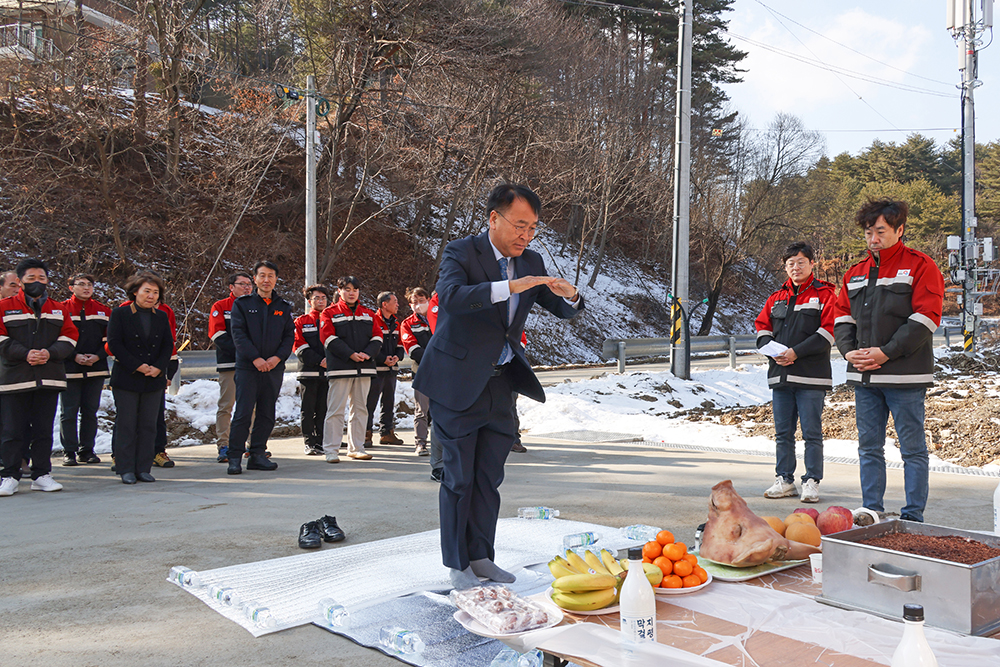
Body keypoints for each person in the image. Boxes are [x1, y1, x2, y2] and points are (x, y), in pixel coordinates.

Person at [413, 183, 584, 589]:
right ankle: (457, 564)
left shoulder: (531, 260)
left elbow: (561, 308)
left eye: (533, 228)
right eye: (519, 225)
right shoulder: (461, 251)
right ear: (494, 218)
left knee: (489, 478)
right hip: (456, 383)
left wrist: (572, 295)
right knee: (458, 478)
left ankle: (481, 556)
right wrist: (509, 287)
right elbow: (451, 298)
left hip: (500, 385)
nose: (526, 236)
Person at [834, 199, 944, 523]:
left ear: (899, 229)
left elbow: (926, 318)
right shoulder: (854, 273)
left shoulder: (921, 266)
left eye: (880, 231)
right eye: (868, 232)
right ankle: (872, 510)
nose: (873, 239)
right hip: (865, 379)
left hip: (904, 378)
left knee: (912, 450)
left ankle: (913, 516)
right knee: (868, 448)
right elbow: (841, 317)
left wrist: (886, 352)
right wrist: (847, 351)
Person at [754, 242, 836, 503]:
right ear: (785, 267)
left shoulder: (825, 295)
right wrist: (771, 350)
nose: (795, 267)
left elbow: (827, 333)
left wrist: (795, 352)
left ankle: (812, 481)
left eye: (801, 262)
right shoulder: (776, 297)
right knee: (782, 433)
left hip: (811, 376)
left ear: (812, 264)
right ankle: (785, 479)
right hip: (781, 376)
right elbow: (762, 329)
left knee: (812, 432)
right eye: (790, 263)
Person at [0, 259, 78, 496]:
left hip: (49, 378)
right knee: (12, 430)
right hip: (15, 378)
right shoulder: (4, 307)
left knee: (43, 430)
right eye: (31, 278)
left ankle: (42, 474)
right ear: (20, 281)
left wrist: (49, 353)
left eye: (42, 278)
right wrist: (26, 354)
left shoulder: (58, 308)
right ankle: (9, 475)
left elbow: (70, 338)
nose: (37, 282)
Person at [226, 261, 295, 475]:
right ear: (254, 279)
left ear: (276, 279)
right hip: (248, 367)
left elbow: (288, 337)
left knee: (267, 413)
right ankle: (235, 457)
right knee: (243, 412)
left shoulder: (283, 307)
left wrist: (276, 359)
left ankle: (257, 454)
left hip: (273, 368)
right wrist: (255, 358)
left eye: (271, 276)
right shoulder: (242, 304)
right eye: (262, 275)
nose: (266, 280)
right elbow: (238, 334)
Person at [107, 273, 173, 484]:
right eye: (147, 291)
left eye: (155, 292)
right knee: (127, 423)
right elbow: (114, 343)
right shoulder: (120, 314)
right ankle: (125, 468)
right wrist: (138, 365)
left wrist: (158, 368)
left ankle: (143, 468)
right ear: (135, 291)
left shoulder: (161, 316)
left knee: (148, 424)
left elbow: (167, 345)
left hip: (153, 378)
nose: (151, 296)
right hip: (127, 377)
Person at [319, 276, 381, 462]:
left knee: (361, 409)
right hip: (340, 368)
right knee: (335, 410)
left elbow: (377, 336)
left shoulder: (368, 314)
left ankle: (357, 448)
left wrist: (367, 354)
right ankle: (331, 450)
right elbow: (328, 338)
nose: (351, 292)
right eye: (347, 289)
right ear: (339, 291)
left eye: (355, 289)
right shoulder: (329, 313)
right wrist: (350, 354)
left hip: (364, 368)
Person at [60, 274, 112, 466]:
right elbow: (57, 338)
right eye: (81, 284)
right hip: (69, 368)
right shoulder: (61, 309)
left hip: (95, 368)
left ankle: (87, 450)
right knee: (69, 412)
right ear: (71, 287)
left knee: (90, 411)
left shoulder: (103, 310)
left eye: (89, 284)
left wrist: (98, 356)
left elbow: (110, 339)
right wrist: (74, 356)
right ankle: (69, 452)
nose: (86, 288)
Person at [208, 272, 254, 463]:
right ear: (231, 287)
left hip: (252, 364)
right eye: (242, 284)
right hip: (230, 363)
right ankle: (224, 445)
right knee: (226, 405)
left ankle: (253, 445)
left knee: (252, 406)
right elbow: (217, 335)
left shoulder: (256, 306)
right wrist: (243, 351)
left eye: (249, 284)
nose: (246, 287)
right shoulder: (221, 306)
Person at [294, 284, 330, 456]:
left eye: (323, 297)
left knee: (323, 409)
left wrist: (329, 361)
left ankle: (322, 441)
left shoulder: (330, 320)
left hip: (328, 373)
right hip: (308, 373)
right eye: (317, 298)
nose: (321, 301)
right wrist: (319, 361)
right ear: (309, 301)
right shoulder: (301, 321)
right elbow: (299, 346)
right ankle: (309, 442)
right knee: (308, 409)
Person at [366, 291, 405, 448]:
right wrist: (383, 358)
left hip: (391, 370)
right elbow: (370, 344)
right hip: (375, 370)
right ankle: (366, 434)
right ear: (384, 304)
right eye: (395, 302)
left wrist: (397, 357)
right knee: (370, 403)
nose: (397, 305)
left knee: (388, 403)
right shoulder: (372, 321)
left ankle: (387, 433)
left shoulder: (396, 322)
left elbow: (400, 345)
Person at [401, 287, 433, 460]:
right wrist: (433, 358)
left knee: (443, 408)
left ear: (428, 299)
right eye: (414, 302)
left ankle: (442, 443)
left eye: (421, 300)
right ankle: (420, 443)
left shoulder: (440, 317)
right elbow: (412, 348)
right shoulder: (408, 323)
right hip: (421, 370)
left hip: (444, 370)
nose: (418, 305)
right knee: (422, 410)